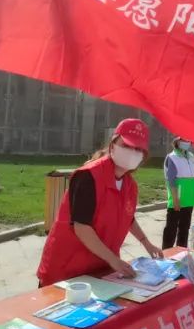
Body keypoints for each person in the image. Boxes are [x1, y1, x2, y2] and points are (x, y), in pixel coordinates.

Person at [36, 119, 162, 286]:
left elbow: (128, 217)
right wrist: (114, 260)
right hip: (68, 268)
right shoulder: (88, 176)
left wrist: (147, 243)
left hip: (101, 266)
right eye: (126, 145)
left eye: (138, 149)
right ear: (112, 145)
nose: (132, 152)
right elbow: (81, 226)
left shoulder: (130, 185)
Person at [163, 137, 194, 249]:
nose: (187, 142)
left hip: (189, 198)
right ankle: (166, 252)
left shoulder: (191, 156)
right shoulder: (172, 157)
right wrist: (175, 199)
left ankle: (181, 252)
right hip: (178, 198)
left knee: (184, 228)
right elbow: (171, 180)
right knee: (171, 228)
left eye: (188, 140)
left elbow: (193, 177)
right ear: (177, 141)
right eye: (184, 140)